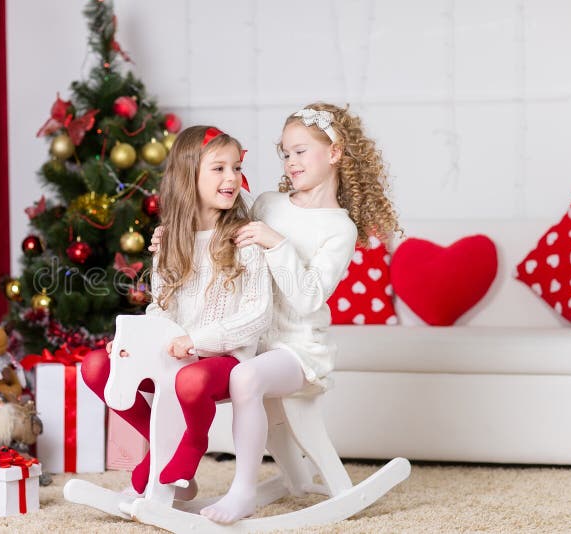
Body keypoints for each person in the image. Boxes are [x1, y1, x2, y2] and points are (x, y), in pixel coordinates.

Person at [152, 103, 400, 522]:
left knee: (245, 377)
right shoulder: (267, 202)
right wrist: (173, 236)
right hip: (252, 339)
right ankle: (163, 474)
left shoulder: (339, 227)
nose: (291, 161)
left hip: (299, 350)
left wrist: (277, 243)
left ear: (335, 152)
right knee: (182, 367)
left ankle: (243, 490)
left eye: (301, 151)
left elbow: (308, 298)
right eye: (285, 153)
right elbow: (217, 226)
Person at [81, 125, 272, 496]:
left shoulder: (245, 237)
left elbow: (257, 315)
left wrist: (196, 340)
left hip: (225, 356)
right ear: (189, 175)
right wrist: (131, 343)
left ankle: (192, 441)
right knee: (97, 367)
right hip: (175, 354)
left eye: (236, 167)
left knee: (191, 380)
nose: (231, 177)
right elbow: (161, 308)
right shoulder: (169, 238)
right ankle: (162, 445)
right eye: (219, 168)